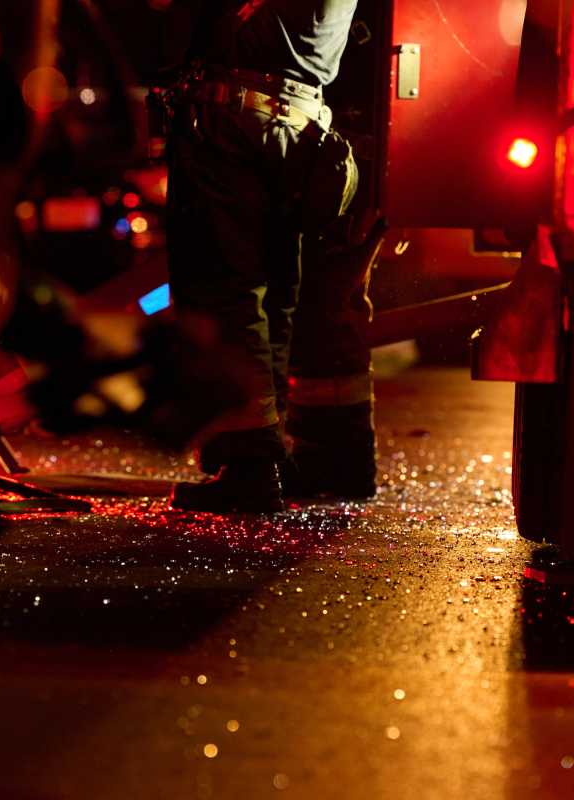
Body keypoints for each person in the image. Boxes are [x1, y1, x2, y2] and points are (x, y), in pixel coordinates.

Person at [166, 0, 370, 512]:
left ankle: (248, 464)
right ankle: (264, 452)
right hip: (300, 127)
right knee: (276, 294)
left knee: (225, 289)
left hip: (232, 118)